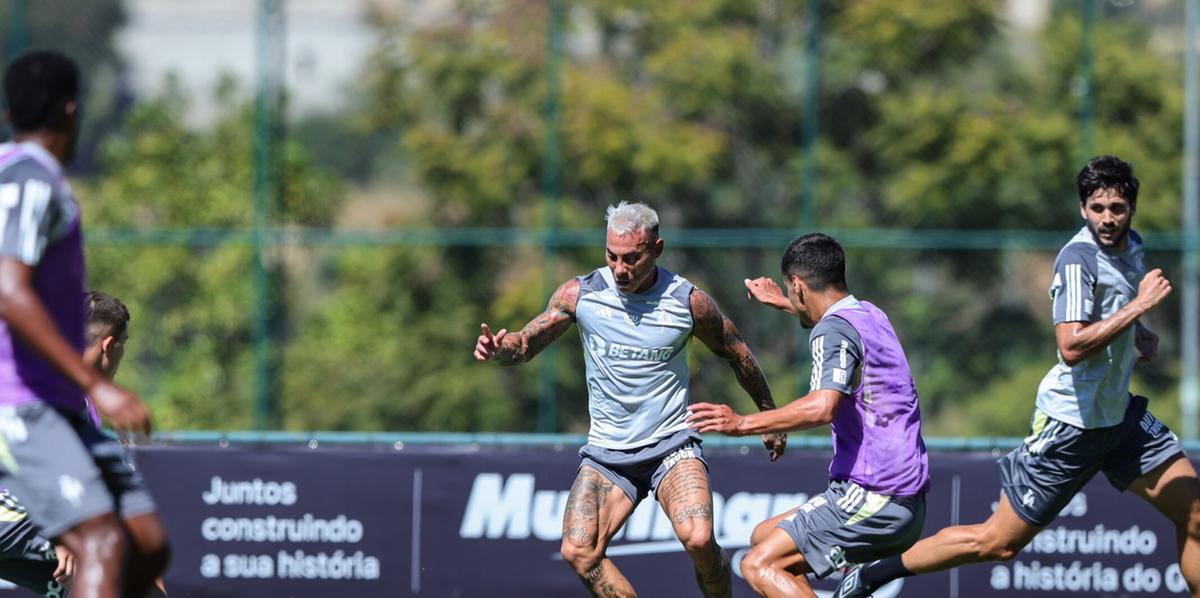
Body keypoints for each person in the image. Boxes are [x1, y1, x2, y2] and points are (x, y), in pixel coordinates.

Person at [833, 155, 1200, 598]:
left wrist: (1137, 333)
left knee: (1196, 514)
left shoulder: (1133, 246)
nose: (1107, 218)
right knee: (997, 543)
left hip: (1119, 420)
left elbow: (1113, 307)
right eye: (1097, 208)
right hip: (1071, 426)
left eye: (1117, 208)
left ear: (1131, 208)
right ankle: (873, 574)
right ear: (1083, 209)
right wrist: (1138, 309)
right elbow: (1071, 348)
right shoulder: (1077, 260)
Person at [474, 201, 787, 597]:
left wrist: (768, 416)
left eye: (632, 259)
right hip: (609, 453)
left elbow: (737, 353)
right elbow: (524, 345)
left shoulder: (688, 302)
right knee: (578, 551)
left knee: (699, 539)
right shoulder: (580, 294)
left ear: (657, 249)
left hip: (672, 445)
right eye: (612, 256)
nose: (620, 269)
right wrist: (500, 349)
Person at [0, 51, 169, 598]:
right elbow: (9, 288)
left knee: (145, 541)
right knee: (100, 542)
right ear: (72, 112)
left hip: (45, 406)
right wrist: (96, 384)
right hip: (22, 405)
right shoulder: (30, 178)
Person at [687, 233, 929, 598]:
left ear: (798, 285)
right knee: (764, 537)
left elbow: (822, 406)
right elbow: (834, 326)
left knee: (758, 564)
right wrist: (786, 303)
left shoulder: (832, 331)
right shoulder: (869, 314)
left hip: (876, 494)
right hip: (902, 498)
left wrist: (741, 423)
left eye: (791, 291)